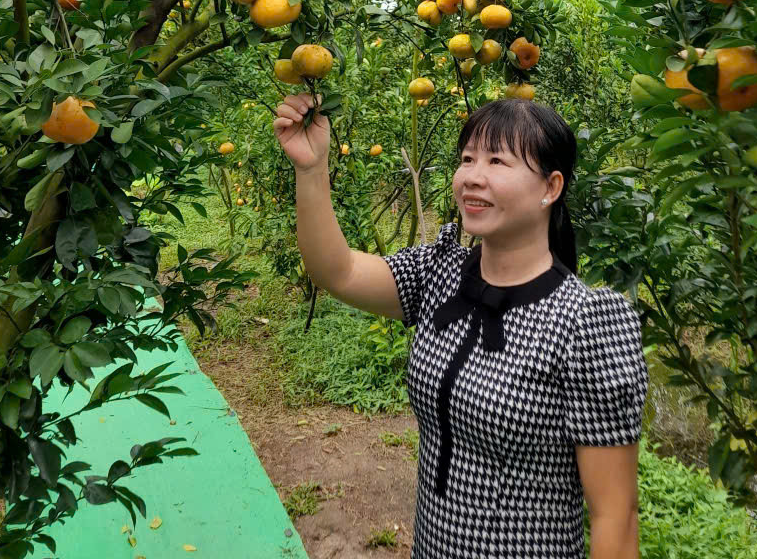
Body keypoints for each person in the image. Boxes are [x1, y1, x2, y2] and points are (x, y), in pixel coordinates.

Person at [273, 93, 648, 559]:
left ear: (551, 187)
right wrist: (311, 169)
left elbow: (615, 517)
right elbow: (339, 272)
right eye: (467, 159)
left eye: (497, 161)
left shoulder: (586, 324)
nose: (472, 176)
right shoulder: (439, 272)